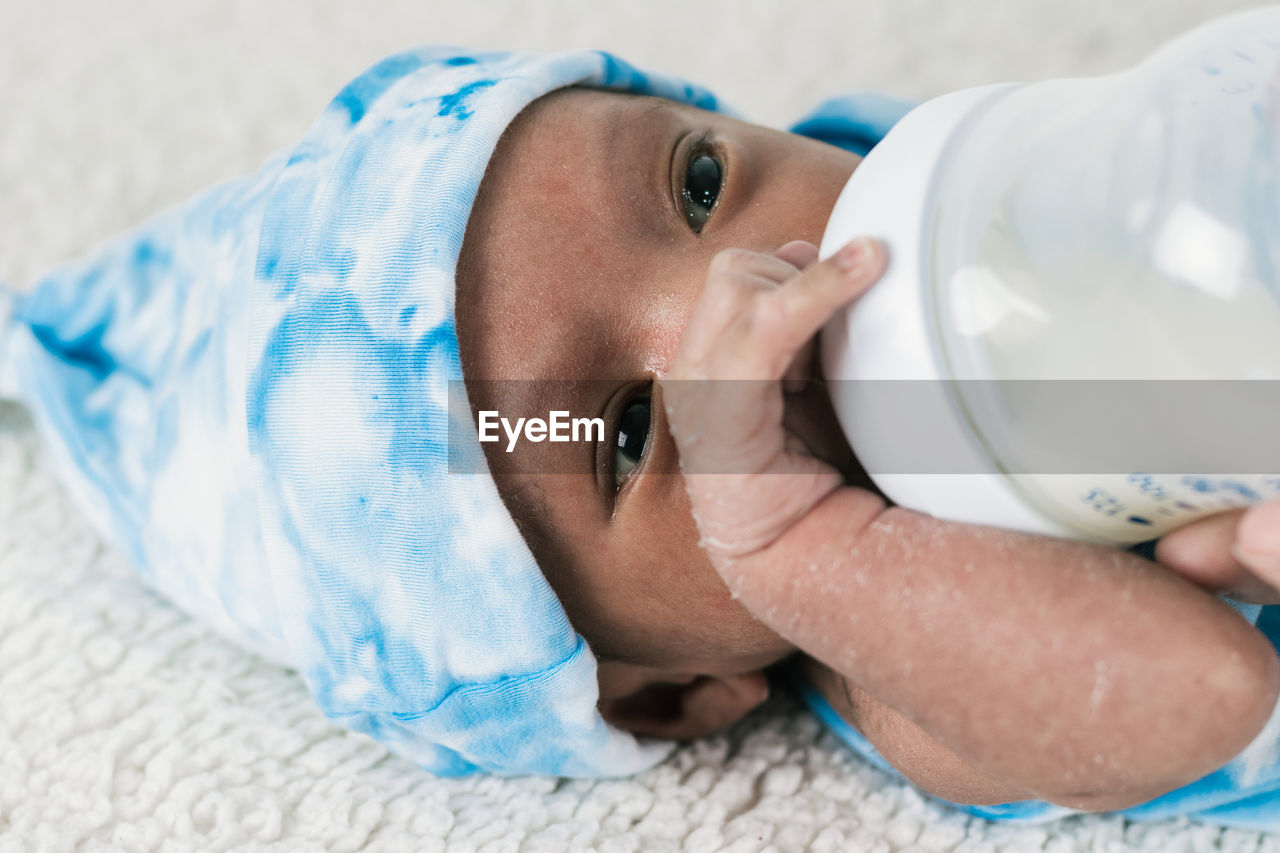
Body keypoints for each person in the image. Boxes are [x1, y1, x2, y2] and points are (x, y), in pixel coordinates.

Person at [1, 44, 1279, 827]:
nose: (740, 305)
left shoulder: (936, 190)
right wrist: (794, 537)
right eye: (621, 435)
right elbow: (1211, 690)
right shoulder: (896, 679)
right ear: (667, 694)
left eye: (699, 185)